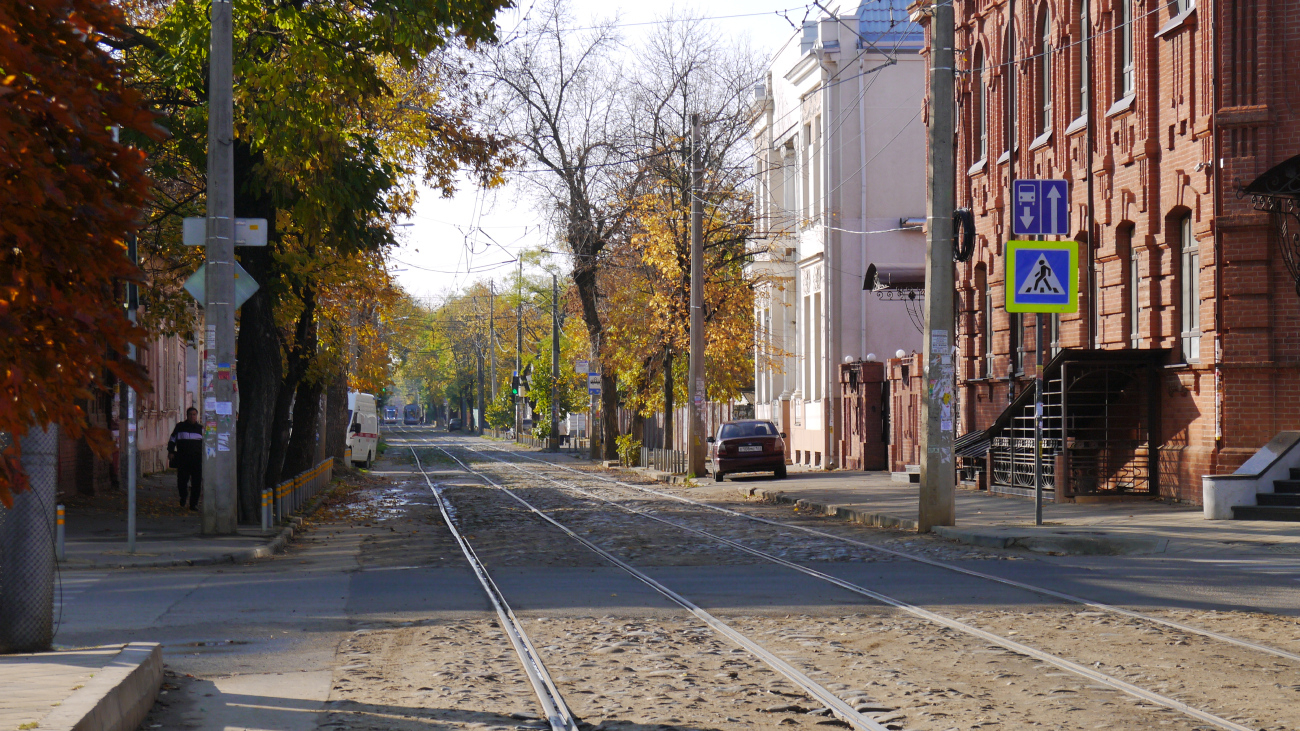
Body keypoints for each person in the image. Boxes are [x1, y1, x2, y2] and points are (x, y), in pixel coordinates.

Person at [168, 407, 203, 509]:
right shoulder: (180, 427)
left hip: (197, 460)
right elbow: (172, 439)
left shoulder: (200, 429)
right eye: (190, 414)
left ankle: (193, 504)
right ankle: (183, 496)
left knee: (196, 483)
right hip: (183, 459)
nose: (192, 416)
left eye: (194, 414)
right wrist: (170, 451)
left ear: (196, 416)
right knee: (182, 482)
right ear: (187, 416)